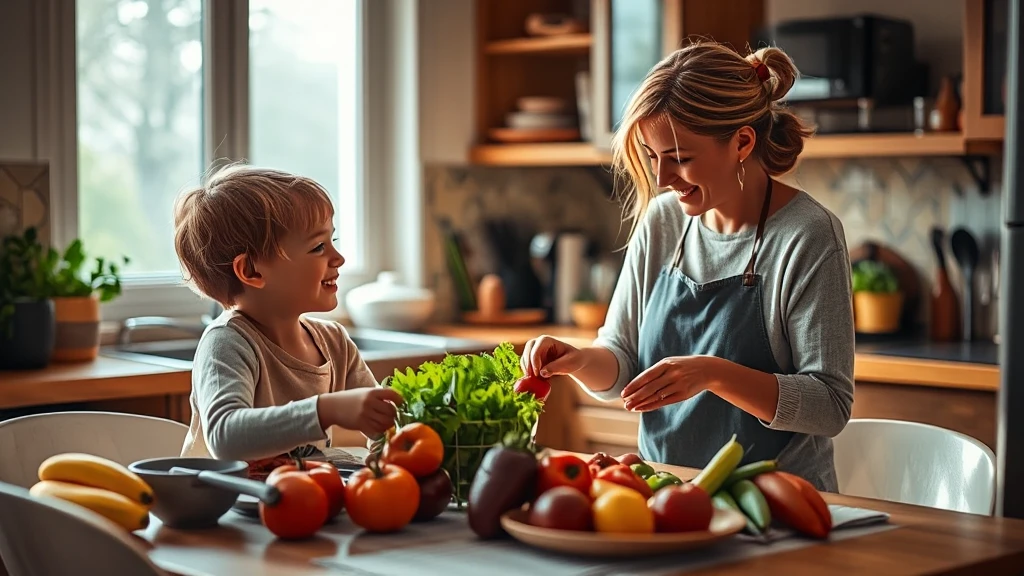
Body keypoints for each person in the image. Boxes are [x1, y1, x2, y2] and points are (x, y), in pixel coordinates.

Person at [521, 42, 855, 492]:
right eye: (654, 157)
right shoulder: (663, 221)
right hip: (668, 497)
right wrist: (578, 360)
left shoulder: (808, 235)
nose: (662, 179)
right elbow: (621, 361)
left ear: (742, 142)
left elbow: (830, 404)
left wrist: (715, 373)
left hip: (781, 504)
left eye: (680, 159)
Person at [173, 164, 402, 461]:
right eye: (318, 247)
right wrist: (325, 410)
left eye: (333, 241)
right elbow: (225, 437)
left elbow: (384, 423)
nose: (339, 258)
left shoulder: (334, 341)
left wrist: (384, 454)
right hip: (227, 504)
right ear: (251, 271)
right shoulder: (227, 343)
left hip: (302, 498)